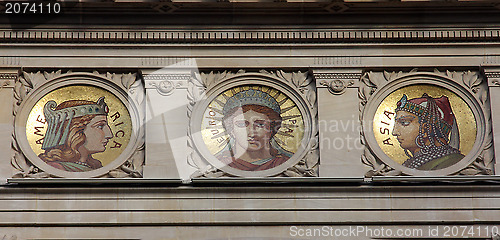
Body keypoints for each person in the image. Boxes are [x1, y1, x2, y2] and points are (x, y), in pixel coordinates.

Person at [215, 89, 292, 171]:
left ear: (271, 130)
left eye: (260, 125)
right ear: (231, 130)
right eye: (242, 124)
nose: (251, 133)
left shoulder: (287, 164)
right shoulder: (218, 164)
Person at [38, 97, 113, 172]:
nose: (109, 135)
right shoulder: (56, 168)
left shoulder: (95, 167)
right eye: (100, 126)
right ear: (74, 131)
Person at [392, 93, 464, 170]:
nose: (394, 132)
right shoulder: (410, 164)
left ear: (426, 129)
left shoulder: (452, 163)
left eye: (404, 123)